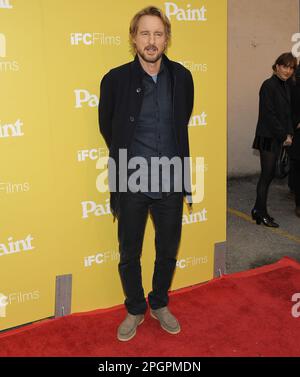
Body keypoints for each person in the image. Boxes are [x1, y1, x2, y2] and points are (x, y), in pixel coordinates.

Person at [98, 6, 194, 341]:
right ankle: (136, 308)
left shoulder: (183, 77)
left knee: (168, 250)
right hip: (132, 181)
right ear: (133, 37)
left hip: (171, 179)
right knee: (129, 253)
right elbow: (108, 127)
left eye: (157, 34)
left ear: (166, 39)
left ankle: (160, 302)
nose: (151, 41)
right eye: (144, 33)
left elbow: (182, 121)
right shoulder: (114, 79)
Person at [251, 52, 297, 227]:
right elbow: (268, 115)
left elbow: (288, 115)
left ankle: (257, 210)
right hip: (268, 137)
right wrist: (283, 135)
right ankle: (261, 213)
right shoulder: (268, 85)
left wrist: (290, 133)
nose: (287, 71)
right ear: (277, 66)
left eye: (291, 68)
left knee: (269, 176)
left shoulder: (286, 86)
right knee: (266, 176)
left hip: (279, 136)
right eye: (284, 66)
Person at [290, 62, 300, 217]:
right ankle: (299, 204)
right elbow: (290, 107)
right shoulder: (295, 83)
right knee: (298, 167)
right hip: (298, 132)